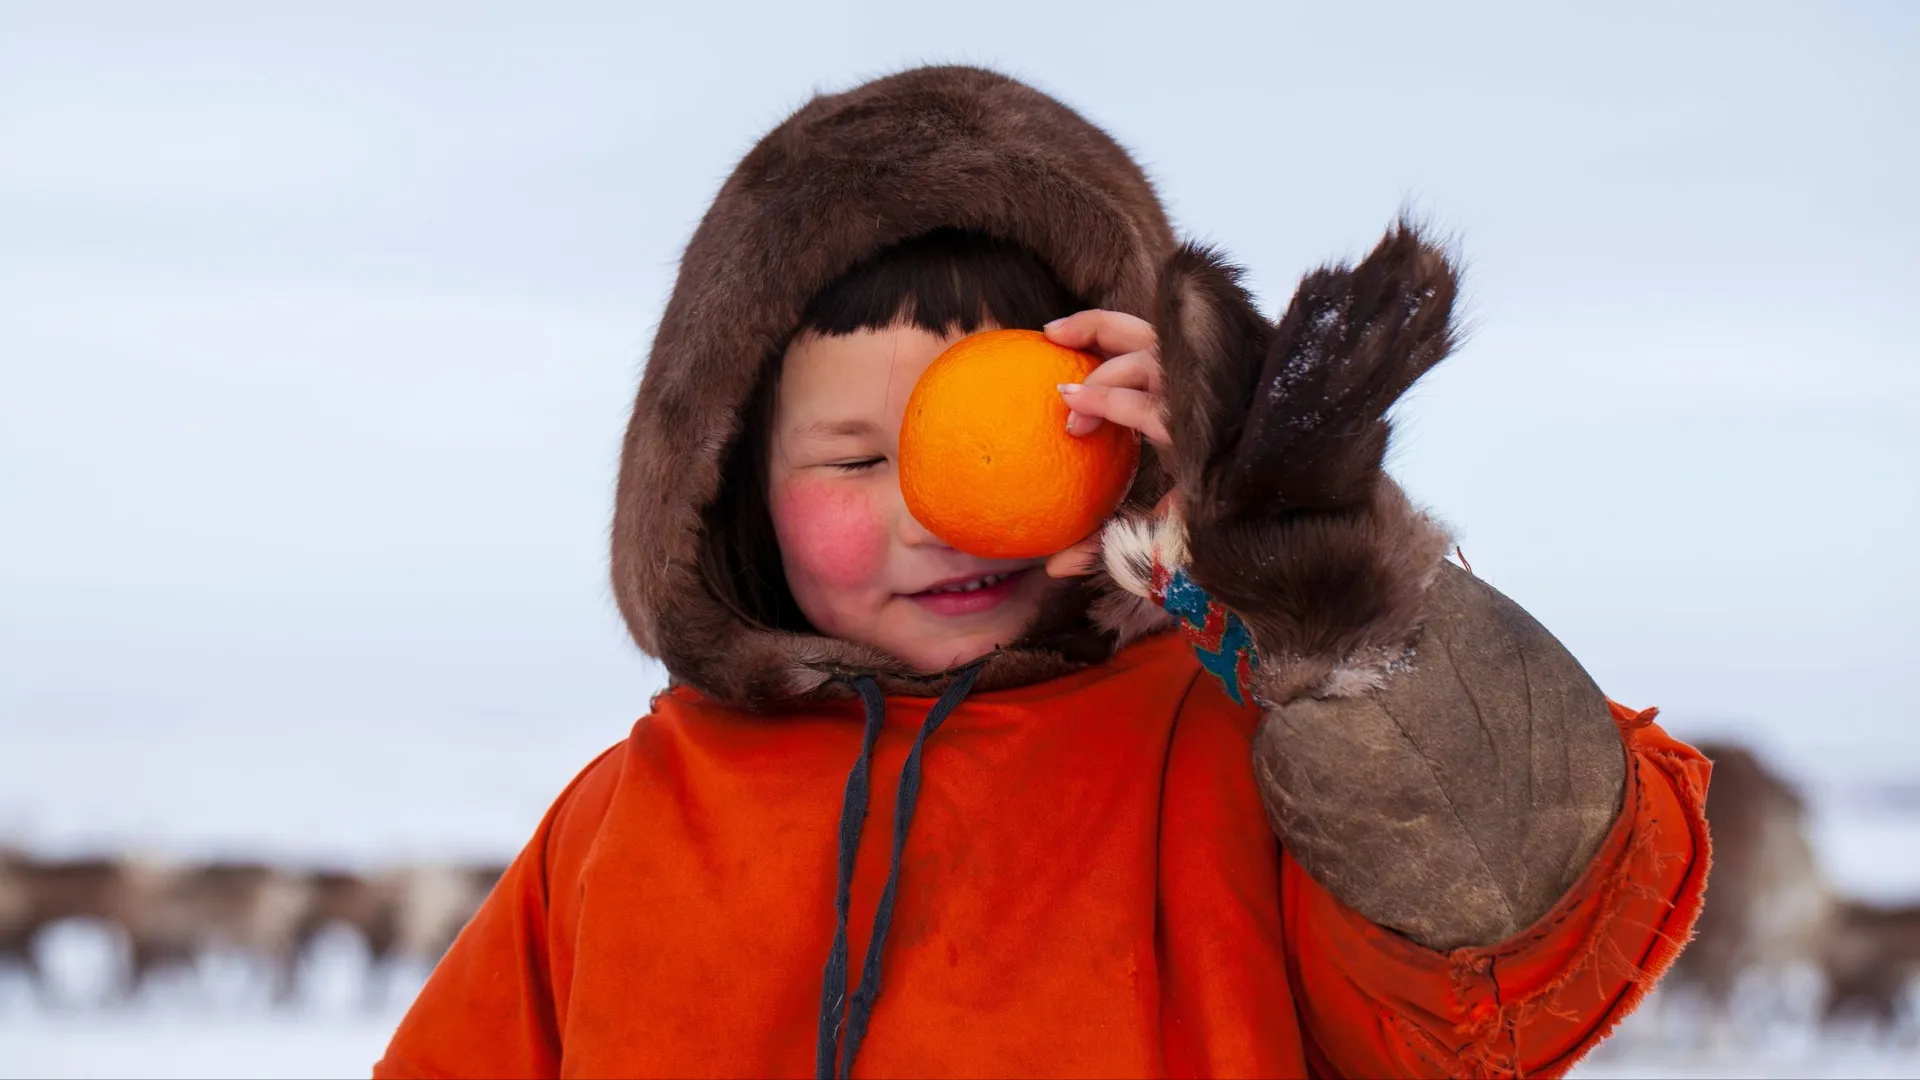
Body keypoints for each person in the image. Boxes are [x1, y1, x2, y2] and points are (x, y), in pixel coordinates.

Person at [375, 65, 1709, 1079]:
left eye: (1017, 436)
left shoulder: (1242, 753)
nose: (944, 514)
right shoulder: (625, 824)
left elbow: (1506, 952)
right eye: (855, 462)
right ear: (726, 495)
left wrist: (1326, 594)